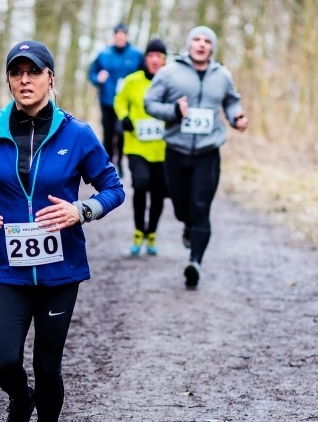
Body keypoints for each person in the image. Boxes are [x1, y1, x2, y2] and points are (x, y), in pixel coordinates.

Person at [0, 40, 125, 422]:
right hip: (8, 267)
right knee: (4, 362)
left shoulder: (77, 135)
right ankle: (21, 400)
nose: (25, 80)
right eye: (16, 73)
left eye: (33, 72)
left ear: (50, 78)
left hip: (60, 270)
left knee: (47, 364)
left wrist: (82, 210)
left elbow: (113, 186)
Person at [144, 26, 248, 288]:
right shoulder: (170, 73)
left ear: (212, 47)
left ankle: (195, 262)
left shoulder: (222, 75)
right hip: (176, 152)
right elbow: (150, 103)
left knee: (201, 207)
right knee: (181, 209)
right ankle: (188, 227)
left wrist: (237, 117)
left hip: (207, 153)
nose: (201, 45)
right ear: (189, 44)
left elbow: (231, 101)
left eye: (207, 41)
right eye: (197, 40)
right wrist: (175, 112)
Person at [113, 37, 168, 256]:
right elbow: (119, 101)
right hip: (136, 145)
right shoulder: (132, 81)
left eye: (159, 56)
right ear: (145, 59)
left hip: (163, 149)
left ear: (164, 60)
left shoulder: (169, 82)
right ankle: (138, 230)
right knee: (141, 184)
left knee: (158, 193)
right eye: (151, 56)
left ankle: (152, 233)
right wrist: (124, 116)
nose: (155, 60)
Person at [88, 22, 144, 176]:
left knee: (122, 133)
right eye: (117, 37)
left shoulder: (136, 54)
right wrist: (98, 79)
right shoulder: (104, 54)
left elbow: (144, 75)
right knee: (108, 132)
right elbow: (92, 73)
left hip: (127, 103)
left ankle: (119, 163)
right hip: (107, 100)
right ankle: (107, 164)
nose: (120, 39)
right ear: (114, 37)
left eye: (122, 36)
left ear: (126, 36)